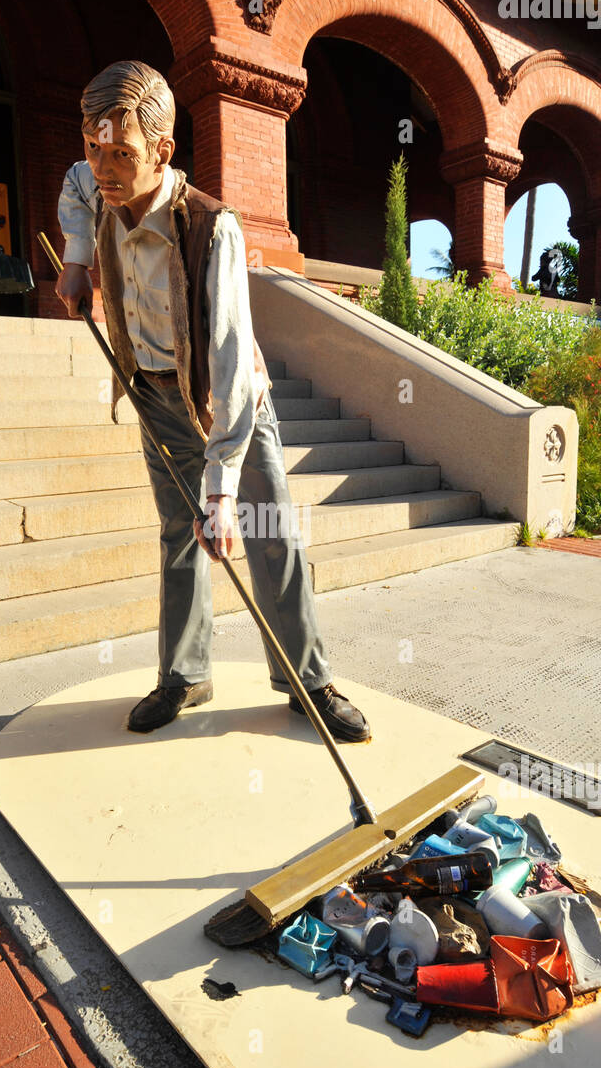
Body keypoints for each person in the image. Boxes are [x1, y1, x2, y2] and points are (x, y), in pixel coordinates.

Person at [56, 60, 371, 742]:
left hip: (230, 407)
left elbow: (229, 368)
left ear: (163, 151)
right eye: (95, 148)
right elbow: (74, 190)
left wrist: (221, 492)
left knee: (267, 534)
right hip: (153, 393)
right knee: (176, 535)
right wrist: (77, 260)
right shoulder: (95, 184)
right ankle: (184, 675)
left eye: (123, 155)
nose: (104, 169)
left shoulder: (211, 228)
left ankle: (306, 681)